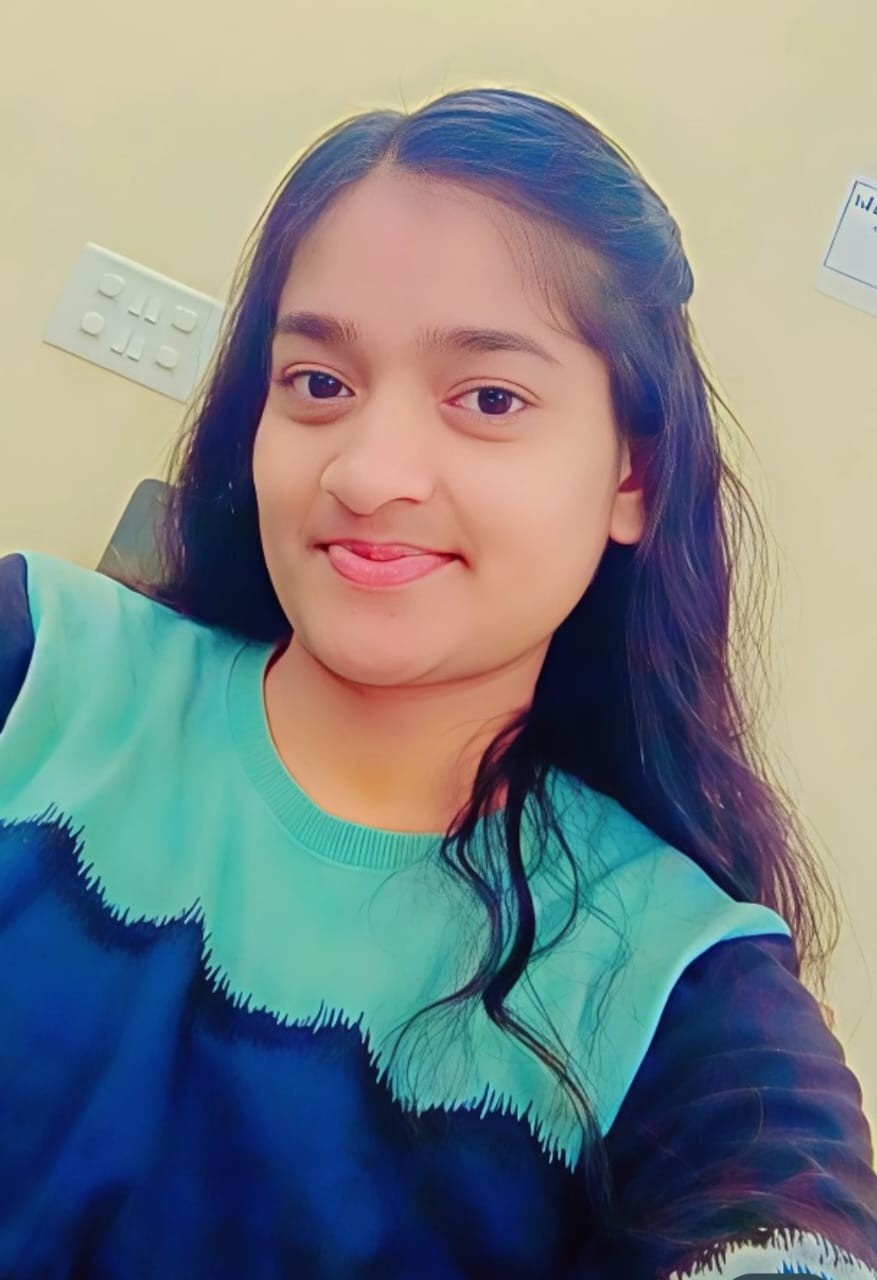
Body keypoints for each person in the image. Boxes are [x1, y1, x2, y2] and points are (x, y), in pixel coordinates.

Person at [0, 85, 875, 1280]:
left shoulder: (679, 993)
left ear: (633, 474)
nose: (367, 472)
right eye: (318, 382)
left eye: (489, 399)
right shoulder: (39, 665)